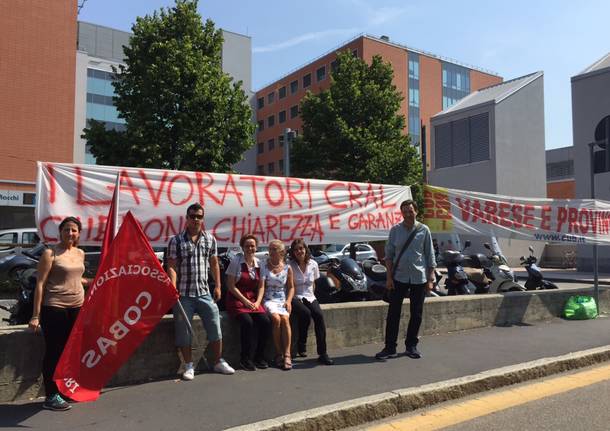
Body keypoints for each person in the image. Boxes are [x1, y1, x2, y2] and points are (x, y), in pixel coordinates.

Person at [167, 203, 234, 380]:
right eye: (192, 216)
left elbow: (214, 264)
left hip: (204, 291)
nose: (195, 219)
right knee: (184, 331)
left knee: (215, 325)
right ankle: (189, 365)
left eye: (199, 216)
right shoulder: (176, 240)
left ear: (202, 219)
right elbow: (172, 266)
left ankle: (218, 361)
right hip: (183, 293)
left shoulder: (210, 239)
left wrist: (218, 285)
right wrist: (172, 286)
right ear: (186, 218)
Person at [29, 217, 90, 411]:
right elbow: (40, 284)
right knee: (54, 352)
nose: (70, 233)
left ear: (78, 233)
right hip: (54, 308)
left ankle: (63, 390)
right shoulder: (50, 253)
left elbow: (78, 279)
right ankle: (51, 395)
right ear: (60, 232)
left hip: (77, 307)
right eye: (66, 229)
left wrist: (98, 280)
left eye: (73, 230)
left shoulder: (80, 253)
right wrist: (35, 315)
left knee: (70, 353)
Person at [376, 199, 436, 360]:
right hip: (398, 277)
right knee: (393, 313)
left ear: (416, 211)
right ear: (401, 213)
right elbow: (389, 256)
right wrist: (388, 278)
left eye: (410, 211)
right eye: (405, 211)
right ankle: (389, 347)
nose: (408, 214)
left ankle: (411, 346)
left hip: (419, 277)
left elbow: (430, 255)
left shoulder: (424, 230)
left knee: (416, 314)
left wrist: (430, 278)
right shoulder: (395, 230)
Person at [225, 234, 271, 371]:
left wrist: (258, 302)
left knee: (265, 322)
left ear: (256, 247)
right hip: (236, 299)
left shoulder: (260, 263)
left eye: (252, 246)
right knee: (247, 323)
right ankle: (245, 359)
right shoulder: (236, 262)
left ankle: (259, 356)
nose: (250, 248)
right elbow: (231, 285)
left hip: (252, 299)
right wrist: (244, 301)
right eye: (247, 246)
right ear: (242, 247)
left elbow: (262, 286)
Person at [288, 238, 334, 366]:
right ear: (293, 252)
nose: (299, 251)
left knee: (318, 315)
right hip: (295, 296)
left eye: (301, 249)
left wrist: (312, 297)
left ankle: (323, 353)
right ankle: (302, 343)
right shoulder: (289, 265)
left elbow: (313, 283)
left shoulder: (313, 264)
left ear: (305, 250)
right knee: (305, 313)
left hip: (309, 295)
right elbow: (288, 286)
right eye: (296, 250)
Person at [259, 240, 294, 370]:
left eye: (274, 249)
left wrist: (289, 301)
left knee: (285, 319)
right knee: (276, 318)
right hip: (268, 298)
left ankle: (287, 354)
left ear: (281, 252)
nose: (271, 252)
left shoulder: (287, 267)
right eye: (270, 249)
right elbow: (262, 286)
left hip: (282, 299)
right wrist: (259, 301)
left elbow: (291, 287)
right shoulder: (264, 265)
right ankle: (278, 353)